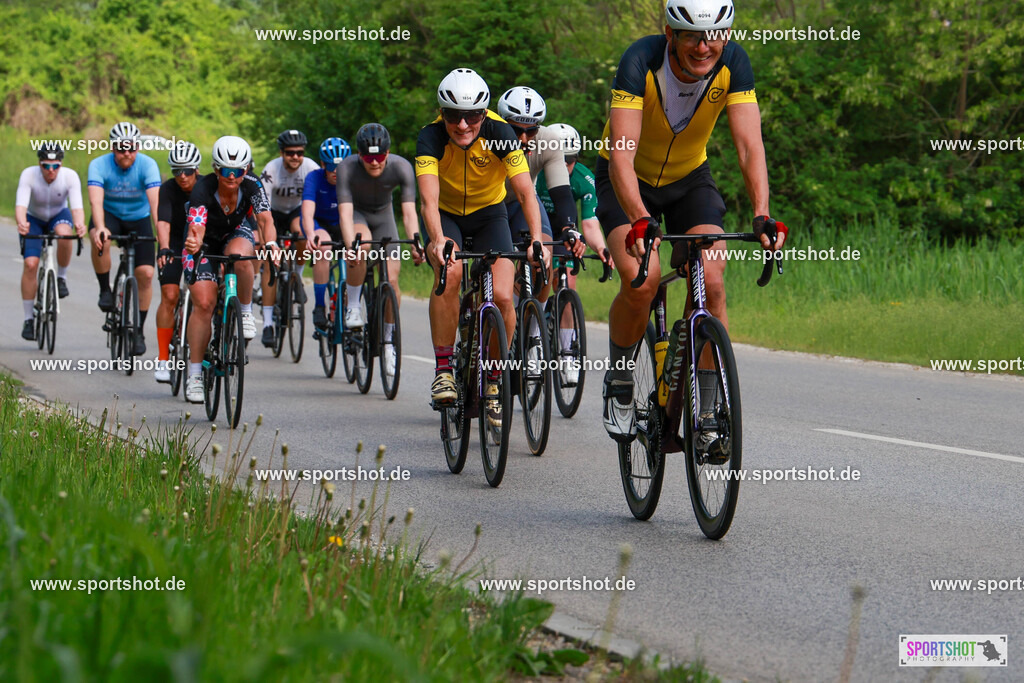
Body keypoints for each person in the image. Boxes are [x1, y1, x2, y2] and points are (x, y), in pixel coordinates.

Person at [598, 0, 787, 442]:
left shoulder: (734, 64)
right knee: (643, 279)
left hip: (689, 179)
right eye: (693, 37)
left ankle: (705, 409)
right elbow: (621, 156)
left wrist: (762, 213)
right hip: (628, 181)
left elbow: (749, 147)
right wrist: (641, 219)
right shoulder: (639, 61)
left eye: (716, 35)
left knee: (713, 278)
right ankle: (621, 380)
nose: (706, 47)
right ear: (671, 35)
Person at [416, 68, 548, 426]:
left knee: (505, 296)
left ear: (483, 113)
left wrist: (536, 237)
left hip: (490, 214)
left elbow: (524, 190)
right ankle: (444, 369)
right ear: (441, 113)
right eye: (453, 116)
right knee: (451, 270)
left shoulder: (500, 132)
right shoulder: (429, 138)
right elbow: (428, 201)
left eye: (472, 115)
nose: (462, 125)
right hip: (447, 215)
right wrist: (437, 239)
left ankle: (493, 379)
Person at [182, 136, 278, 403]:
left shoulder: (252, 185)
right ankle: (194, 375)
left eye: (238, 171)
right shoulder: (203, 188)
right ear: (216, 169)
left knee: (241, 256)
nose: (232, 177)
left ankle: (245, 311)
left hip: (235, 232)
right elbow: (197, 226)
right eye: (226, 171)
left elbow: (265, 219)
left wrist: (271, 243)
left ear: (246, 169)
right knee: (203, 303)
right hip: (203, 241)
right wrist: (195, 241)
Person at [333, 122, 422, 377]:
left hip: (384, 218)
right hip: (358, 216)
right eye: (369, 157)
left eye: (380, 156)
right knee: (361, 246)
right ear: (359, 155)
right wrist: (351, 246)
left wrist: (416, 241)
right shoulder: (346, 168)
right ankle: (352, 304)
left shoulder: (402, 167)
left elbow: (408, 212)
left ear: (388, 152)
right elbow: (345, 213)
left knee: (392, 280)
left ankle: (388, 341)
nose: (375, 162)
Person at [536, 122, 614, 385]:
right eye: (561, 159)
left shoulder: (584, 179)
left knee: (569, 277)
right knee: (538, 271)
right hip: (534, 224)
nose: (565, 166)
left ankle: (567, 354)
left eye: (570, 160)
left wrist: (602, 248)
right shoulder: (537, 171)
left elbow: (590, 224)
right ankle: (532, 336)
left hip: (564, 230)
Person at [87, 121, 161, 355]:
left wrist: (160, 230)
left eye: (131, 148)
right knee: (101, 239)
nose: (126, 153)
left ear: (137, 147)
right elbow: (95, 201)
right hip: (109, 214)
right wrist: (100, 227)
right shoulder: (98, 165)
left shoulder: (148, 165)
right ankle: (105, 290)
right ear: (113, 148)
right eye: (121, 148)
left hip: (139, 217)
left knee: (146, 274)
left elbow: (155, 202)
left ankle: (138, 329)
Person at [15, 142, 86, 340]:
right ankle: (29, 319)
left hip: (58, 214)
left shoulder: (69, 176)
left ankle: (61, 277)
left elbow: (77, 207)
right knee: (31, 264)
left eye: (55, 166)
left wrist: (80, 225)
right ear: (40, 165)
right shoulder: (28, 175)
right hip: (34, 218)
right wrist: (22, 224)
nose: (51, 171)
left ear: (61, 165)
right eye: (46, 166)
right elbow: (21, 205)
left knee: (65, 234)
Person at [257, 129, 319, 345]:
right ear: (282, 153)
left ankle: (297, 276)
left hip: (296, 212)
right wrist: (266, 240)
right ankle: (267, 323)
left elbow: (315, 202)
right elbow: (261, 208)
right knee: (269, 258)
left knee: (302, 234)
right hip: (271, 213)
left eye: (299, 153)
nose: (295, 157)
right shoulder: (271, 170)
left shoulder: (311, 168)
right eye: (290, 153)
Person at [153, 141, 202, 383]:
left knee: (205, 296)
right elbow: (163, 221)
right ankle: (163, 358)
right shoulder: (168, 188)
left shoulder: (206, 187)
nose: (182, 176)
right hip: (174, 241)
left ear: (197, 169)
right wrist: (163, 247)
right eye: (176, 171)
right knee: (169, 296)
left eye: (187, 171)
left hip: (199, 240)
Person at [300, 136, 349, 336]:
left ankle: (350, 303)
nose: (336, 172)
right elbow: (307, 212)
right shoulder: (314, 178)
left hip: (343, 223)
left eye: (341, 166)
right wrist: (311, 235)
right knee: (323, 247)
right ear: (322, 165)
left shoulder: (352, 178)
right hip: (320, 224)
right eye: (331, 166)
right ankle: (319, 306)